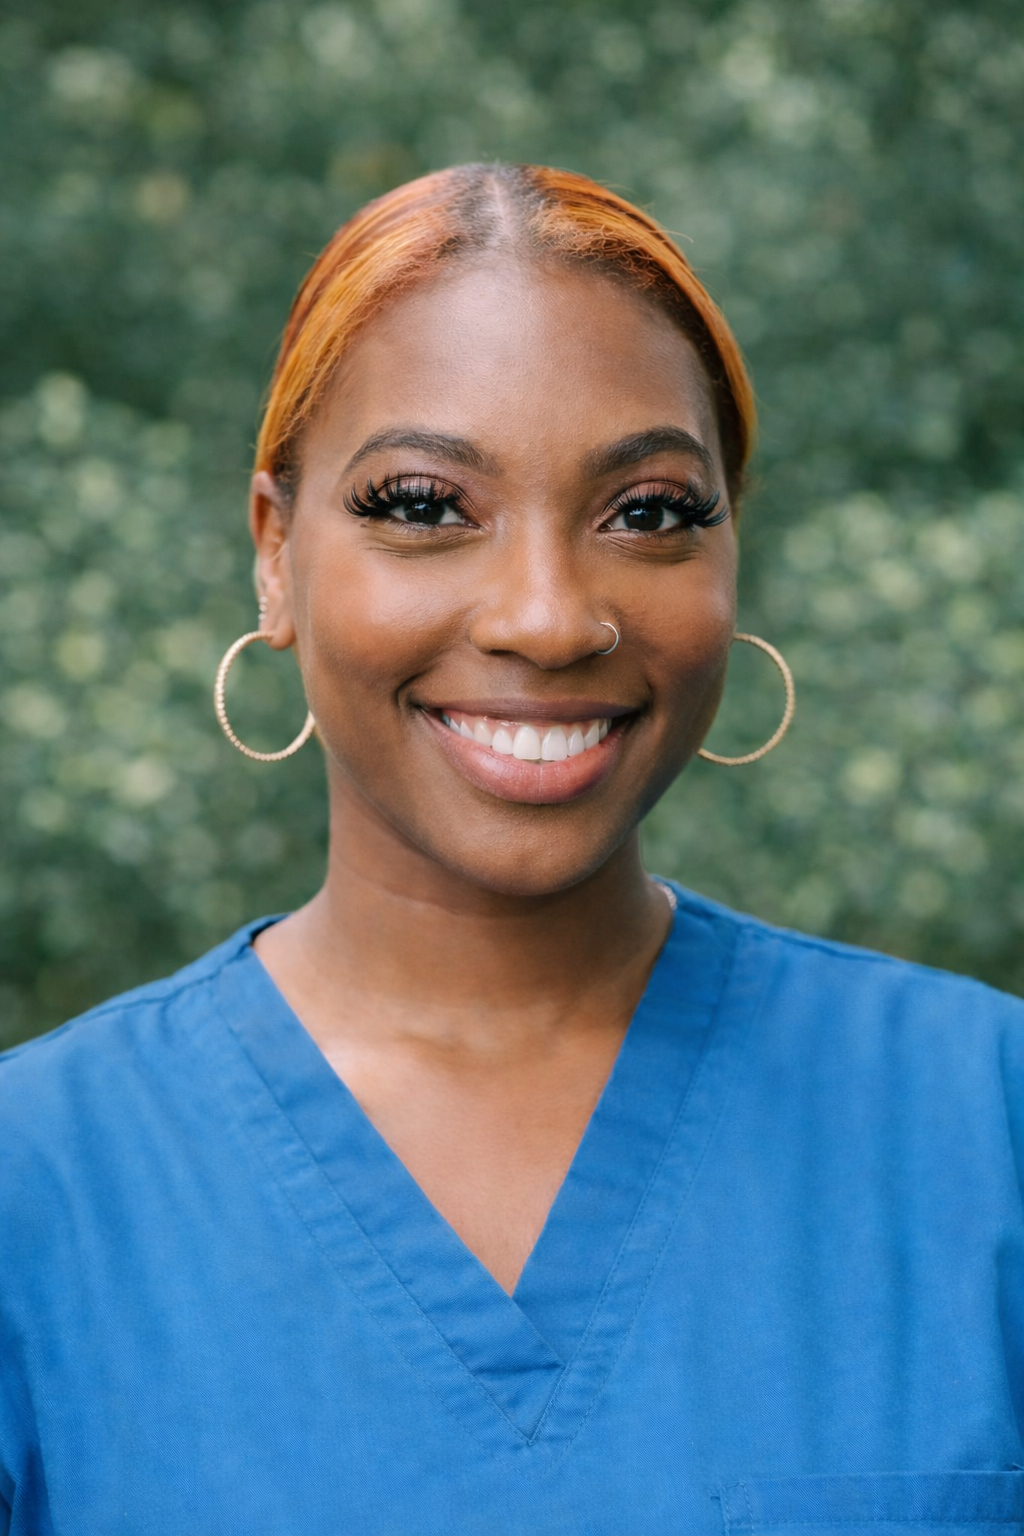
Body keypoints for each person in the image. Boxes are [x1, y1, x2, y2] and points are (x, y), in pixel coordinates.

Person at [1, 164, 1021, 1535]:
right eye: (424, 505)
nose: (548, 617)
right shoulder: (40, 1187)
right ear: (273, 555)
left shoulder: (987, 1127)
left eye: (650, 512)